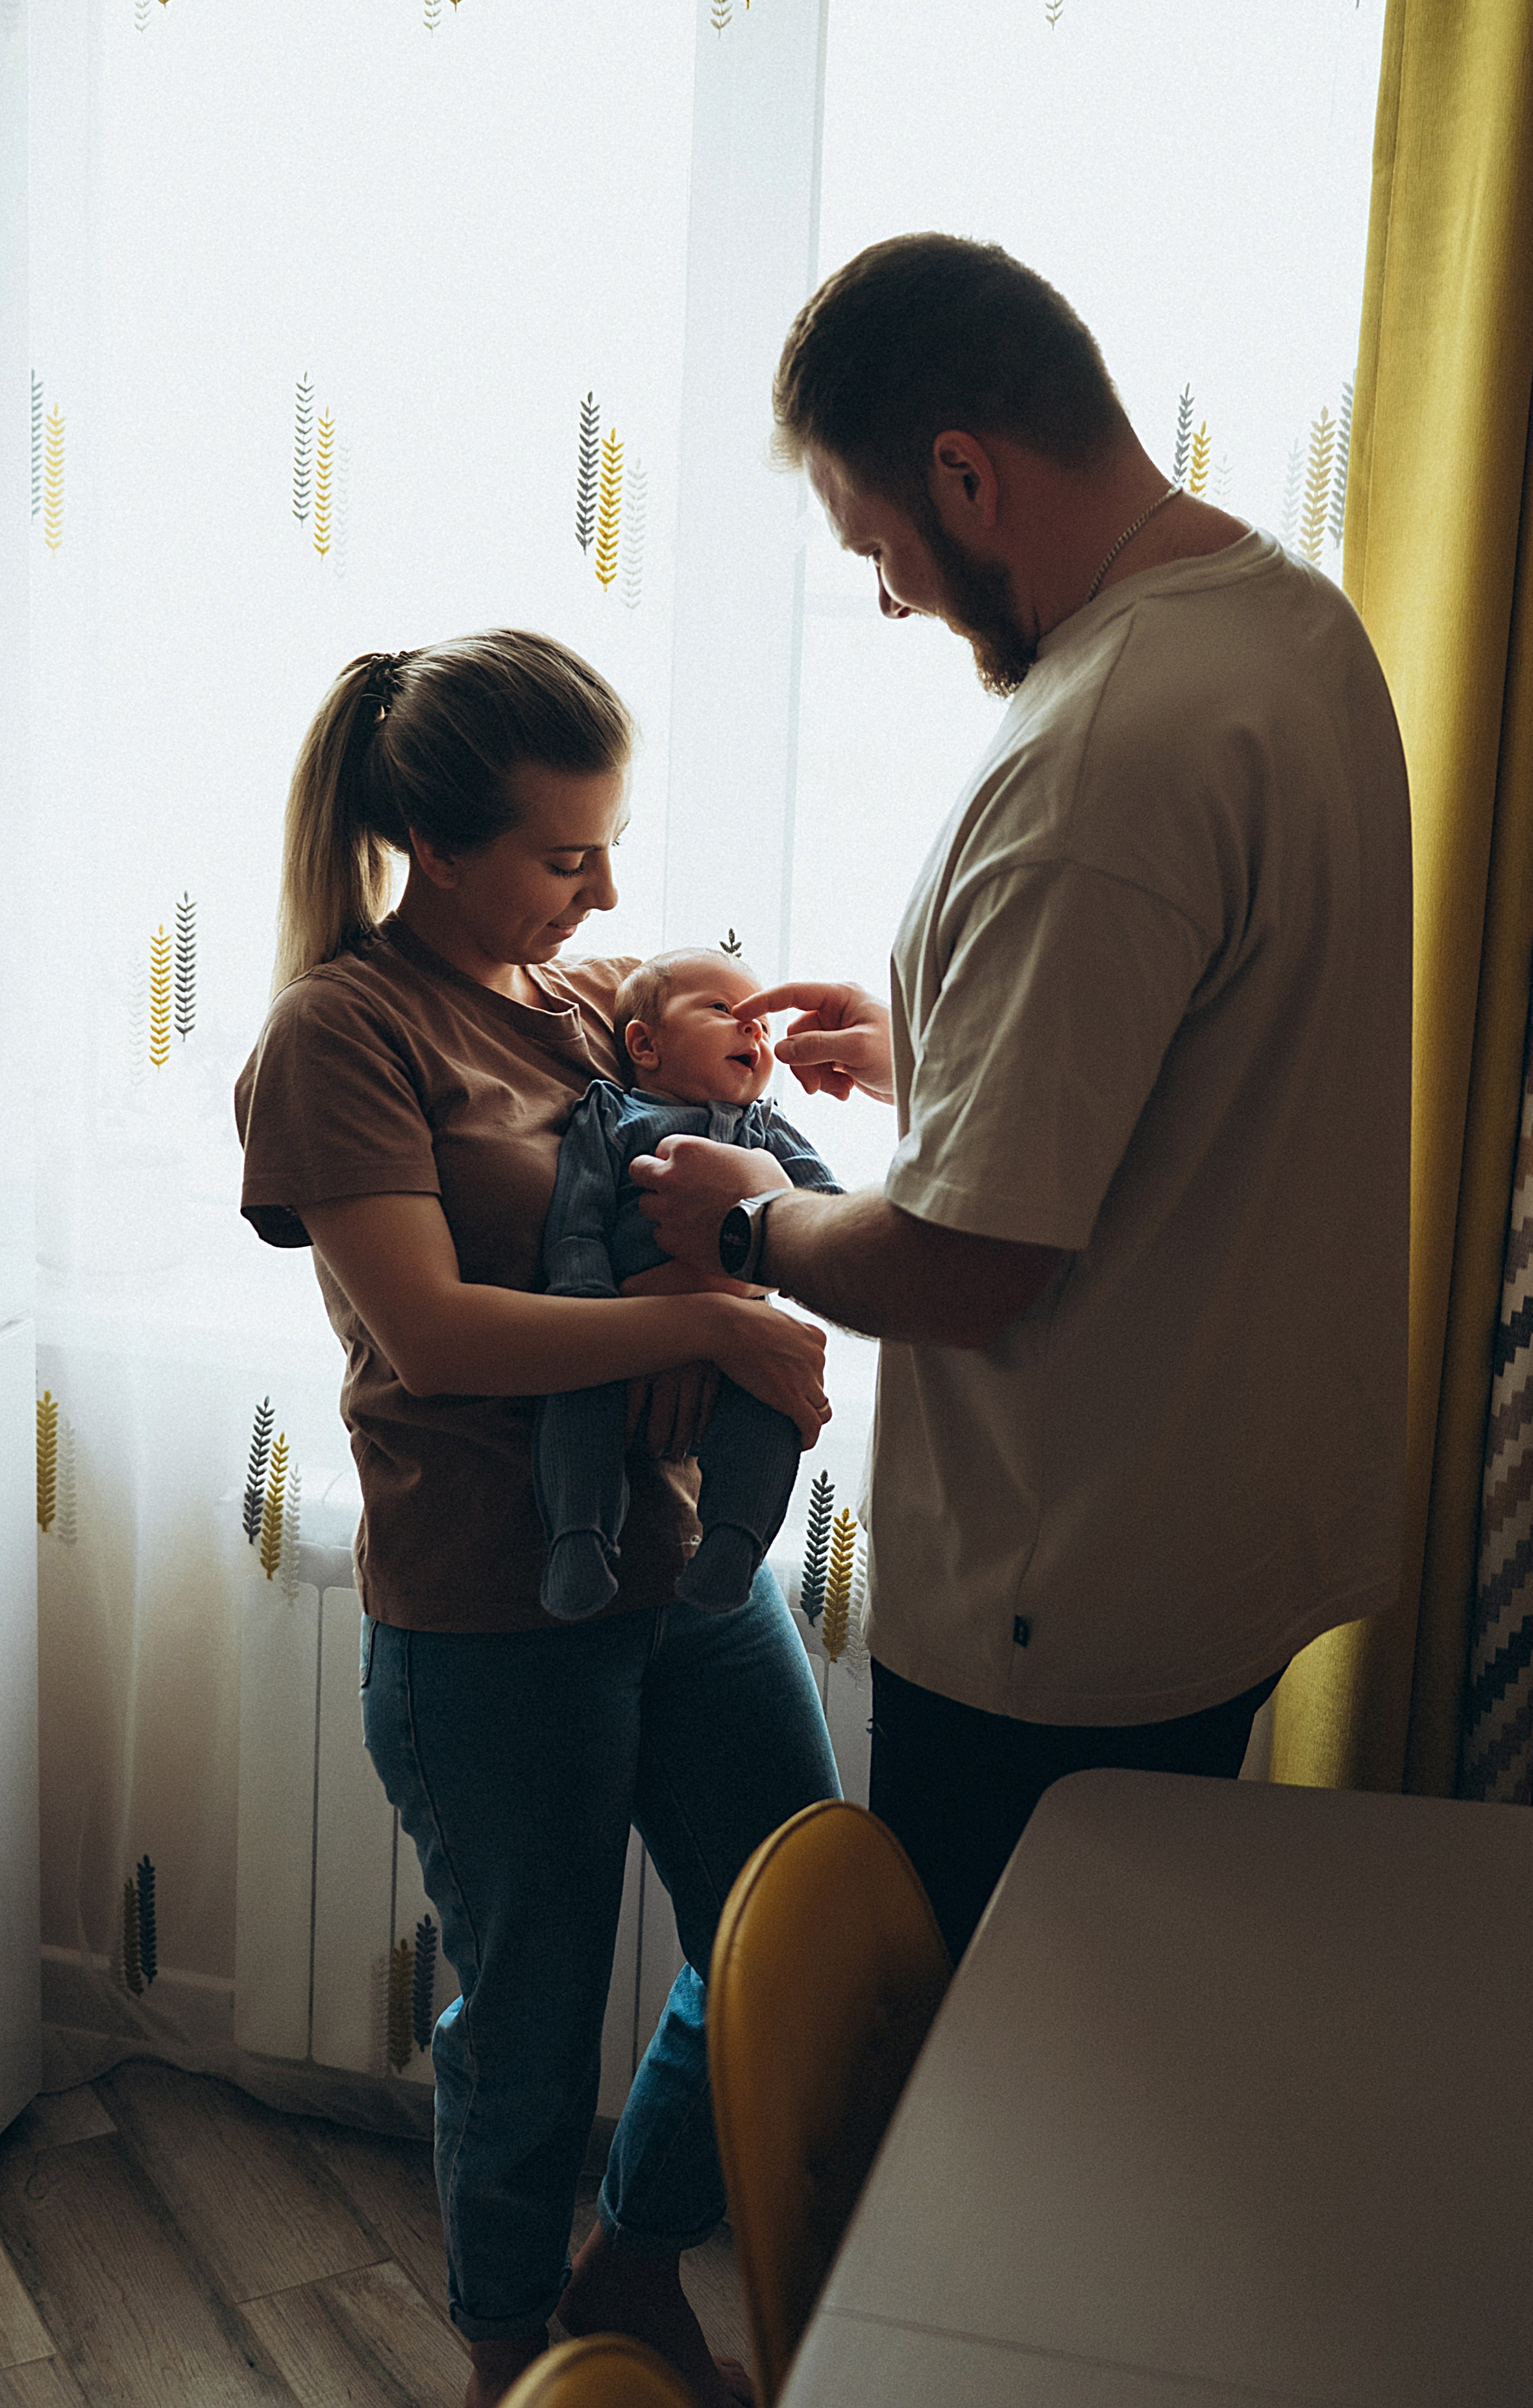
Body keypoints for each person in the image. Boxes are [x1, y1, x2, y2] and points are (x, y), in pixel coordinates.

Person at [632, 233, 1413, 1962]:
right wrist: (935, 1042)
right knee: (1117, 2041)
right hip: (1222, 1519)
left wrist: (745, 1218)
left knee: (993, 2086)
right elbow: (1215, 1035)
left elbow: (964, 1267)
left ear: (966, 473)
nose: (895, 595)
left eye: (882, 545)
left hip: (1068, 1586)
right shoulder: (1284, 624)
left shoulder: (1101, 748)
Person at [234, 629, 839, 2408]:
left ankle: (631, 2263)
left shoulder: (589, 1005)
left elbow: (711, 1156)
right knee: (527, 2018)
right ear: (438, 845)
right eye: (567, 856)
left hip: (688, 1577)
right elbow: (429, 1327)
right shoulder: (340, 1034)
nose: (608, 886)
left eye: (610, 844)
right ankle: (514, 2353)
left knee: (784, 1936)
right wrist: (707, 1321)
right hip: (495, 1610)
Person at [536, 945, 841, 1621]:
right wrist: (586, 1304)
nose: (755, 1029)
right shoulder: (613, 1115)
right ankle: (579, 1538)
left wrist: (771, 1225)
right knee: (575, 1399)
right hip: (616, 1332)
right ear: (645, 1044)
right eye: (725, 1011)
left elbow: (829, 1216)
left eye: (763, 1022)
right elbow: (576, 1219)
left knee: (771, 1404)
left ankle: (735, 1542)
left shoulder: (769, 1131)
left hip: (733, 1351)